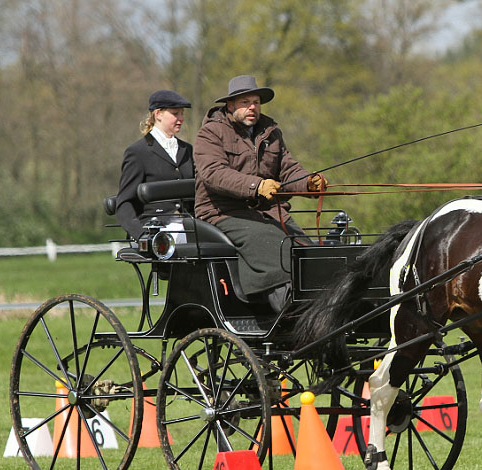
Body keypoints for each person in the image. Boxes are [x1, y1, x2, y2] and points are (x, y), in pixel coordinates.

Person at [194, 75, 326, 310]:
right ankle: (289, 315)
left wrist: (308, 183)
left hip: (269, 213)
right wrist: (257, 186)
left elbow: (288, 169)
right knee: (278, 247)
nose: (252, 107)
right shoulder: (210, 133)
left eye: (256, 102)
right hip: (222, 213)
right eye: (245, 102)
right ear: (230, 105)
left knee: (310, 254)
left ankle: (319, 310)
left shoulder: (271, 132)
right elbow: (213, 174)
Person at [116, 89, 194, 241]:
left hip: (189, 224)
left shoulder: (187, 150)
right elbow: (124, 202)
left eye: (182, 113)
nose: (181, 118)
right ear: (158, 114)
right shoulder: (138, 152)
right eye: (175, 113)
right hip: (155, 227)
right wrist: (141, 235)